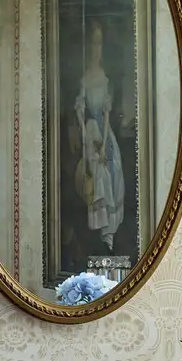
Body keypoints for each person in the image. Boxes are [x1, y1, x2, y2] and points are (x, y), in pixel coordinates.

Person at [73, 17, 125, 251]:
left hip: (103, 134)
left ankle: (110, 231)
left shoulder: (104, 78)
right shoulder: (85, 78)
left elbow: (106, 115)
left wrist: (104, 144)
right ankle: (104, 232)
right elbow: (80, 110)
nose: (96, 49)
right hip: (92, 132)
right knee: (100, 176)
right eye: (93, 44)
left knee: (113, 171)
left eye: (99, 44)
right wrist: (86, 136)